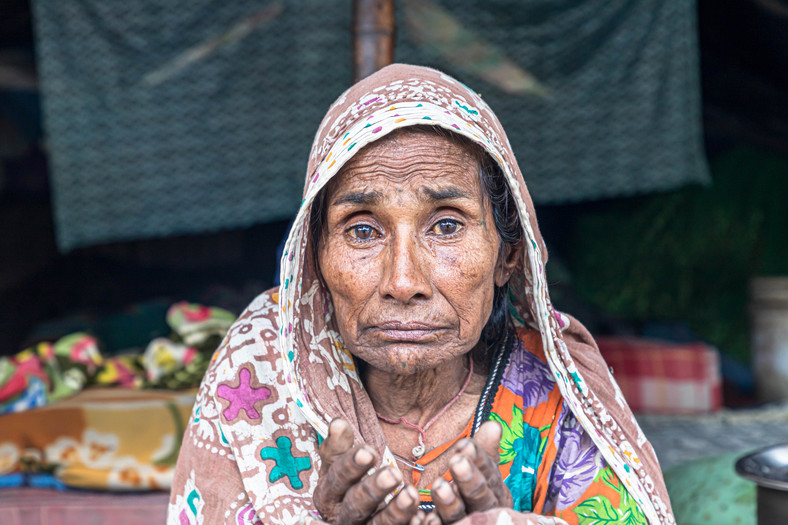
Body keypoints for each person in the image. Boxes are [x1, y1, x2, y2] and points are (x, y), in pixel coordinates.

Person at [168, 64, 674, 525]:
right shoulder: (258, 374)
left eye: (447, 225)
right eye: (362, 231)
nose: (403, 282)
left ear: (507, 257)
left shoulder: (561, 398)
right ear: (314, 260)